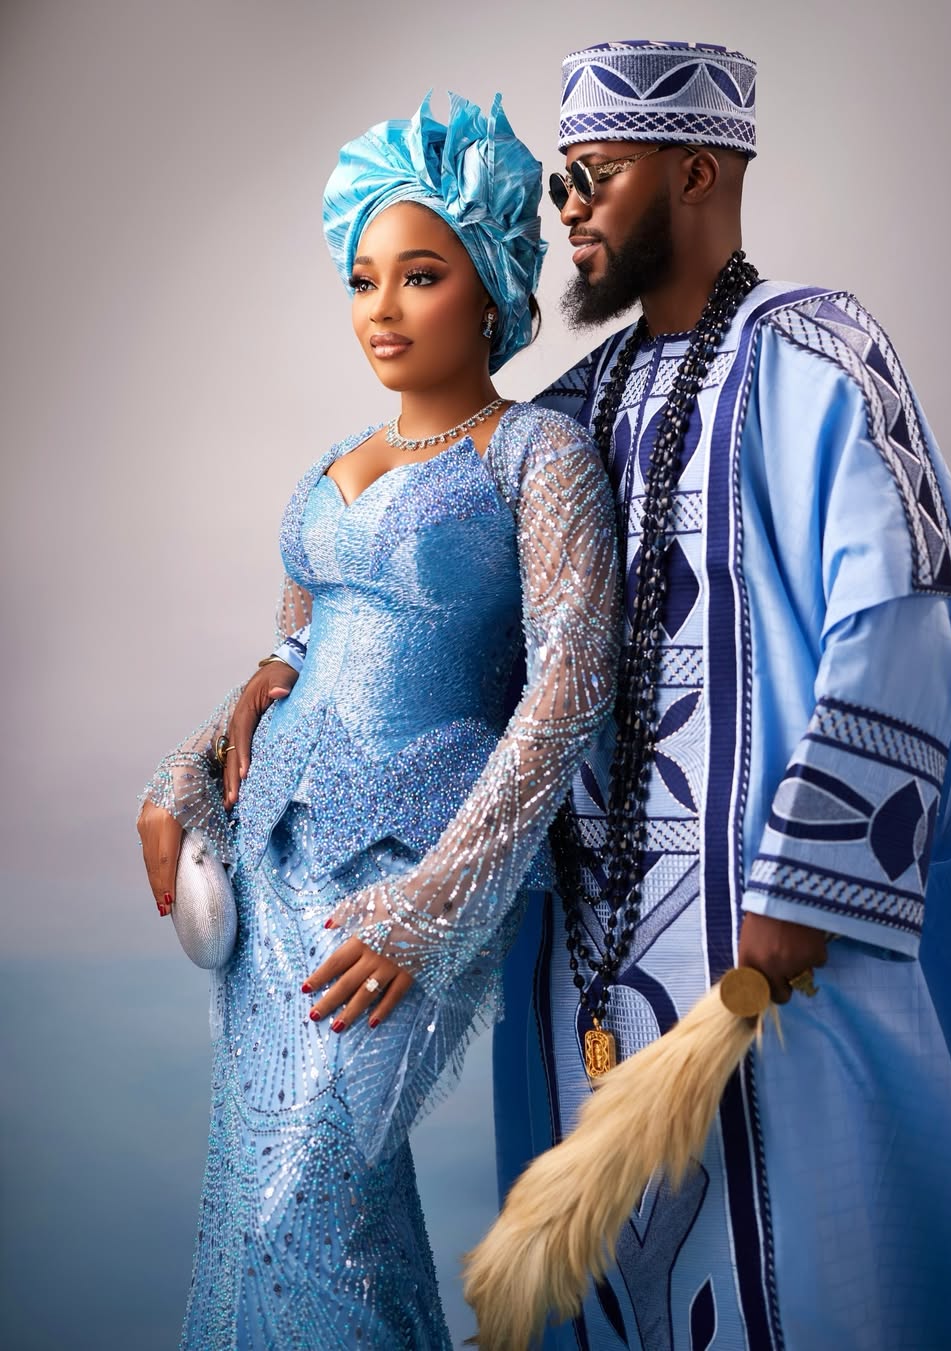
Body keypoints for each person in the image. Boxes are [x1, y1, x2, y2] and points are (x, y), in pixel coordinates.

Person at [487, 40, 951, 1351]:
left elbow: (900, 619)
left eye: (597, 173)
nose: (570, 205)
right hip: (590, 965)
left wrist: (807, 881)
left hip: (779, 955)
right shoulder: (566, 413)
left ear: (695, 171)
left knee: (817, 1274)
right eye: (557, 183)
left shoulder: (819, 353)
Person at [136, 91, 619, 1349]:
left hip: (416, 868)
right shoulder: (328, 463)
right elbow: (293, 651)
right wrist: (192, 768)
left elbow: (571, 686)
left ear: (494, 283)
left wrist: (436, 902)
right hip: (275, 863)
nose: (383, 308)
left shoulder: (538, 456)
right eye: (364, 278)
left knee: (318, 1192)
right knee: (263, 1206)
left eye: (420, 273)